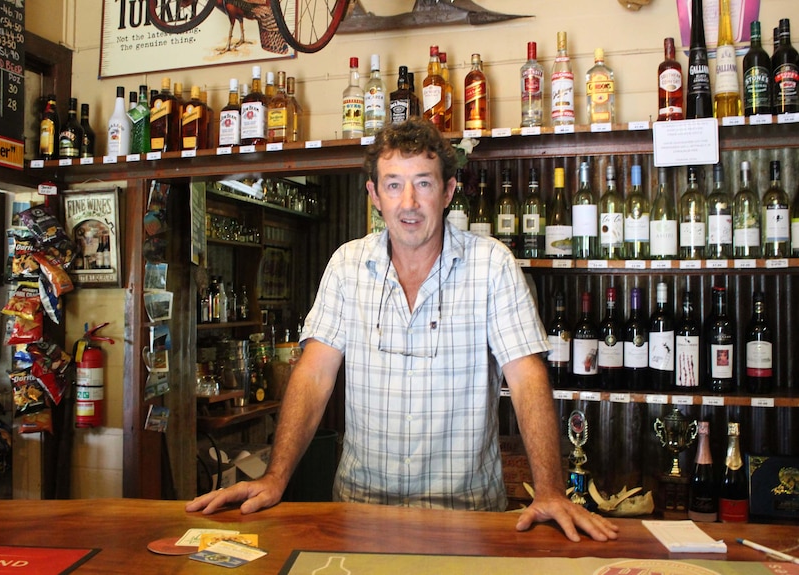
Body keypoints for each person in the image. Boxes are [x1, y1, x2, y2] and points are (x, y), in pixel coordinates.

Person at [186, 118, 619, 542]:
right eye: (394, 184)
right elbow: (314, 376)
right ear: (375, 194)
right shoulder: (347, 266)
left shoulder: (492, 265)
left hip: (466, 521)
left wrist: (549, 491)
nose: (408, 202)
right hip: (360, 515)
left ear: (448, 191)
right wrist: (276, 477)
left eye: (424, 183)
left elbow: (526, 379)